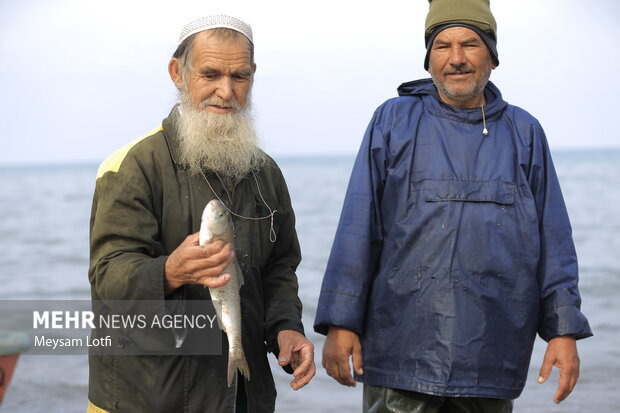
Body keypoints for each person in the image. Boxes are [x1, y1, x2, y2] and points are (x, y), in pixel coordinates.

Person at [314, 0, 592, 411]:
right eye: (443, 46)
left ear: (493, 57)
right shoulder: (393, 121)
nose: (456, 59)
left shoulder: (524, 132)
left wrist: (562, 331)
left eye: (470, 44)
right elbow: (358, 225)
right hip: (399, 352)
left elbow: (553, 240)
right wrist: (341, 322)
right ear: (428, 59)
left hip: (490, 358)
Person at [88, 14, 315, 413]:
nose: (225, 92)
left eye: (239, 77)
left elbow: (280, 267)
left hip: (243, 396)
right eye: (210, 74)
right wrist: (169, 272)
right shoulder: (133, 166)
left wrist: (285, 329)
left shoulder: (266, 172)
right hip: (148, 398)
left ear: (253, 76)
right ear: (178, 73)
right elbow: (108, 275)